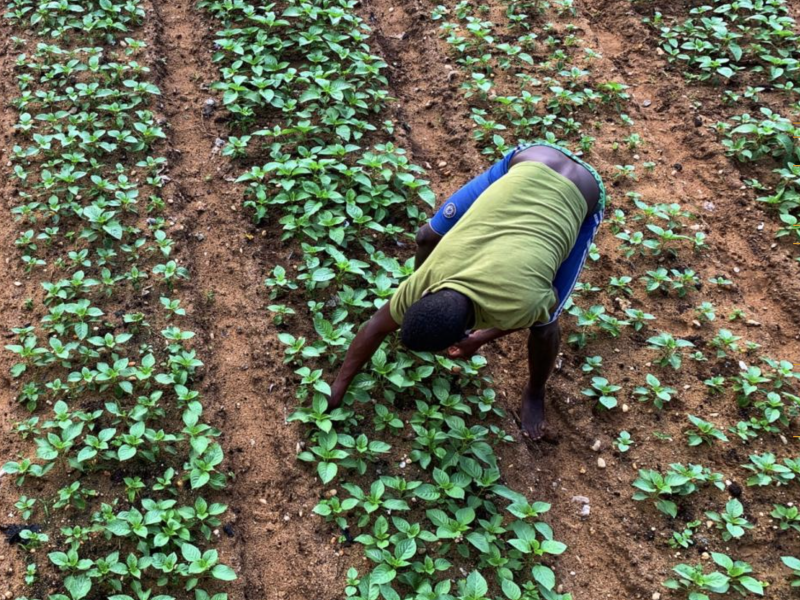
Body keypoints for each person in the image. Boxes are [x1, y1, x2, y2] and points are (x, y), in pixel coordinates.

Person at [328, 141, 606, 442]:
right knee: (426, 236)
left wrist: (479, 339)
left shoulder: (522, 302)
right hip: (526, 158)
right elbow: (374, 327)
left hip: (584, 193)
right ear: (424, 295)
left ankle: (535, 390)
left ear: (464, 332)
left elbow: (532, 317)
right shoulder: (424, 281)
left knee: (547, 325)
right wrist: (337, 388)